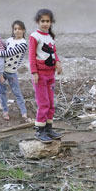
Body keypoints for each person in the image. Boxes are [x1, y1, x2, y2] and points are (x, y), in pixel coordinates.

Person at [29, 9, 62, 142]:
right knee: (43, 103)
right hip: (40, 75)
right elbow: (31, 55)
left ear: (51, 22)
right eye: (42, 21)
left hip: (50, 75)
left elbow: (53, 52)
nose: (45, 24)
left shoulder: (50, 37)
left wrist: (58, 63)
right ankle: (40, 130)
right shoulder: (34, 36)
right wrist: (34, 72)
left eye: (47, 21)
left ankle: (48, 128)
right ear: (38, 22)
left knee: (51, 104)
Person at [0, 20, 29, 122]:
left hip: (12, 72)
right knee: (2, 92)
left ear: (23, 30)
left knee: (17, 92)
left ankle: (24, 113)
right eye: (15, 29)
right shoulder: (9, 40)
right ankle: (5, 111)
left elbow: (10, 52)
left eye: (19, 29)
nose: (17, 31)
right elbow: (3, 48)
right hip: (2, 71)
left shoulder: (23, 43)